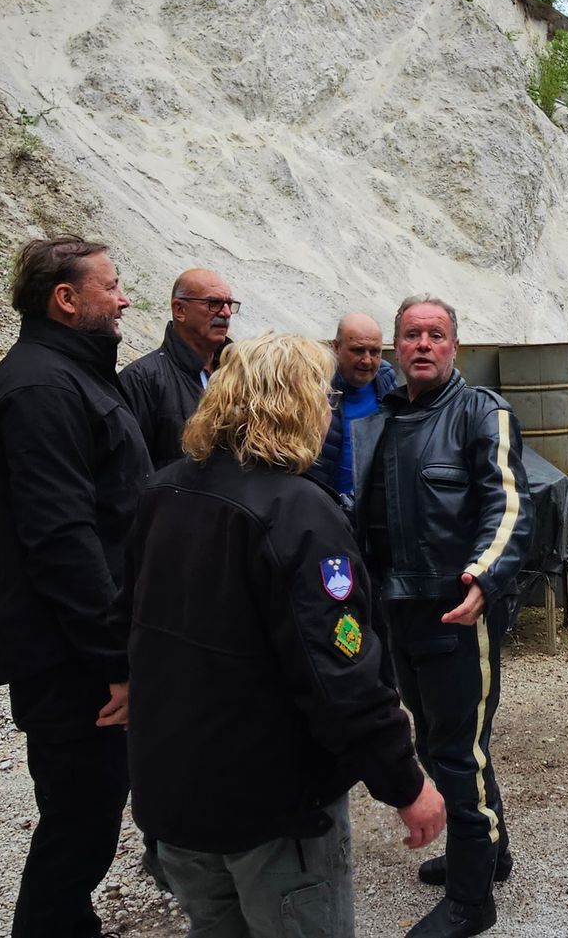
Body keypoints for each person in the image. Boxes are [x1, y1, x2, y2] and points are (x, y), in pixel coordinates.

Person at [122, 330, 447, 938]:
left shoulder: (163, 491)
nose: (329, 409)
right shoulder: (298, 514)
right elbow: (341, 671)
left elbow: (131, 622)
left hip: (175, 791)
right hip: (271, 804)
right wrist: (405, 782)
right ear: (294, 404)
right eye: (322, 395)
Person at [0, 235, 150, 938]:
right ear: (66, 299)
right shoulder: (41, 388)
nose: (124, 298)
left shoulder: (74, 375)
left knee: (89, 812)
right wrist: (114, 662)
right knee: (80, 820)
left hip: (85, 646)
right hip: (71, 657)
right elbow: (62, 539)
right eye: (112, 285)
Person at [351, 295, 532, 938]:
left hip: (456, 612)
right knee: (436, 742)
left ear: (454, 346)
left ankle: (471, 901)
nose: (423, 344)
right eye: (411, 335)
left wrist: (485, 575)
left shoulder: (482, 412)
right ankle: (489, 854)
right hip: (397, 610)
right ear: (397, 347)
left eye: (435, 334)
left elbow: (510, 505)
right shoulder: (382, 417)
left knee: (457, 752)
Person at [120, 269, 236, 467]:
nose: (226, 313)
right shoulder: (142, 380)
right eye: (214, 303)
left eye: (229, 304)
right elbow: (131, 466)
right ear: (180, 310)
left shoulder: (239, 374)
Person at [308, 312, 398, 505]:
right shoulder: (314, 386)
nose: (367, 360)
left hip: (371, 506)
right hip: (323, 505)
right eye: (358, 351)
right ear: (336, 347)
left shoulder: (386, 378)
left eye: (375, 352)